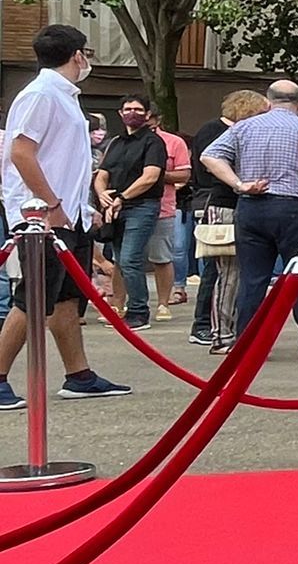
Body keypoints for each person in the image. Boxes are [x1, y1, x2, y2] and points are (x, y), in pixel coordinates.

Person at [0, 25, 129, 406]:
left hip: (67, 212)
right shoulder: (41, 95)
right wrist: (50, 204)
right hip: (41, 215)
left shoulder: (65, 96)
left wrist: (79, 206)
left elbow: (63, 159)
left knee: (68, 297)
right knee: (34, 297)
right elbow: (22, 152)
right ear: (77, 55)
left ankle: (79, 374)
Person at [202, 81, 298, 360]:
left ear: (267, 102)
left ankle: (248, 346)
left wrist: (239, 183)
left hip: (251, 207)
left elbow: (209, 155)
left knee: (252, 279)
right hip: (294, 208)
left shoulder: (244, 127)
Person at [187, 90, 264, 349]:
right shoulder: (218, 131)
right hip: (223, 204)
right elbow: (211, 165)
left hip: (231, 204)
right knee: (226, 272)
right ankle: (217, 331)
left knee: (227, 272)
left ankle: (220, 329)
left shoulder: (224, 130)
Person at [94, 95, 168, 332]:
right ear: (120, 113)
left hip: (142, 206)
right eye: (127, 109)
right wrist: (103, 194)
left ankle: (139, 311)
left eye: (137, 109)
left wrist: (122, 197)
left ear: (147, 115)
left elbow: (150, 177)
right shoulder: (116, 142)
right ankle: (122, 307)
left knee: (130, 259)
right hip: (114, 208)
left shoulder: (153, 142)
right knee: (118, 258)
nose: (132, 113)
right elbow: (102, 173)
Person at [144, 105, 191, 321]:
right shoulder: (121, 142)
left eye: (147, 116)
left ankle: (163, 303)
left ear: (157, 118)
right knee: (123, 259)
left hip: (162, 206)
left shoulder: (174, 142)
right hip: (128, 206)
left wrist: (155, 175)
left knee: (162, 256)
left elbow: (183, 175)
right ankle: (121, 304)